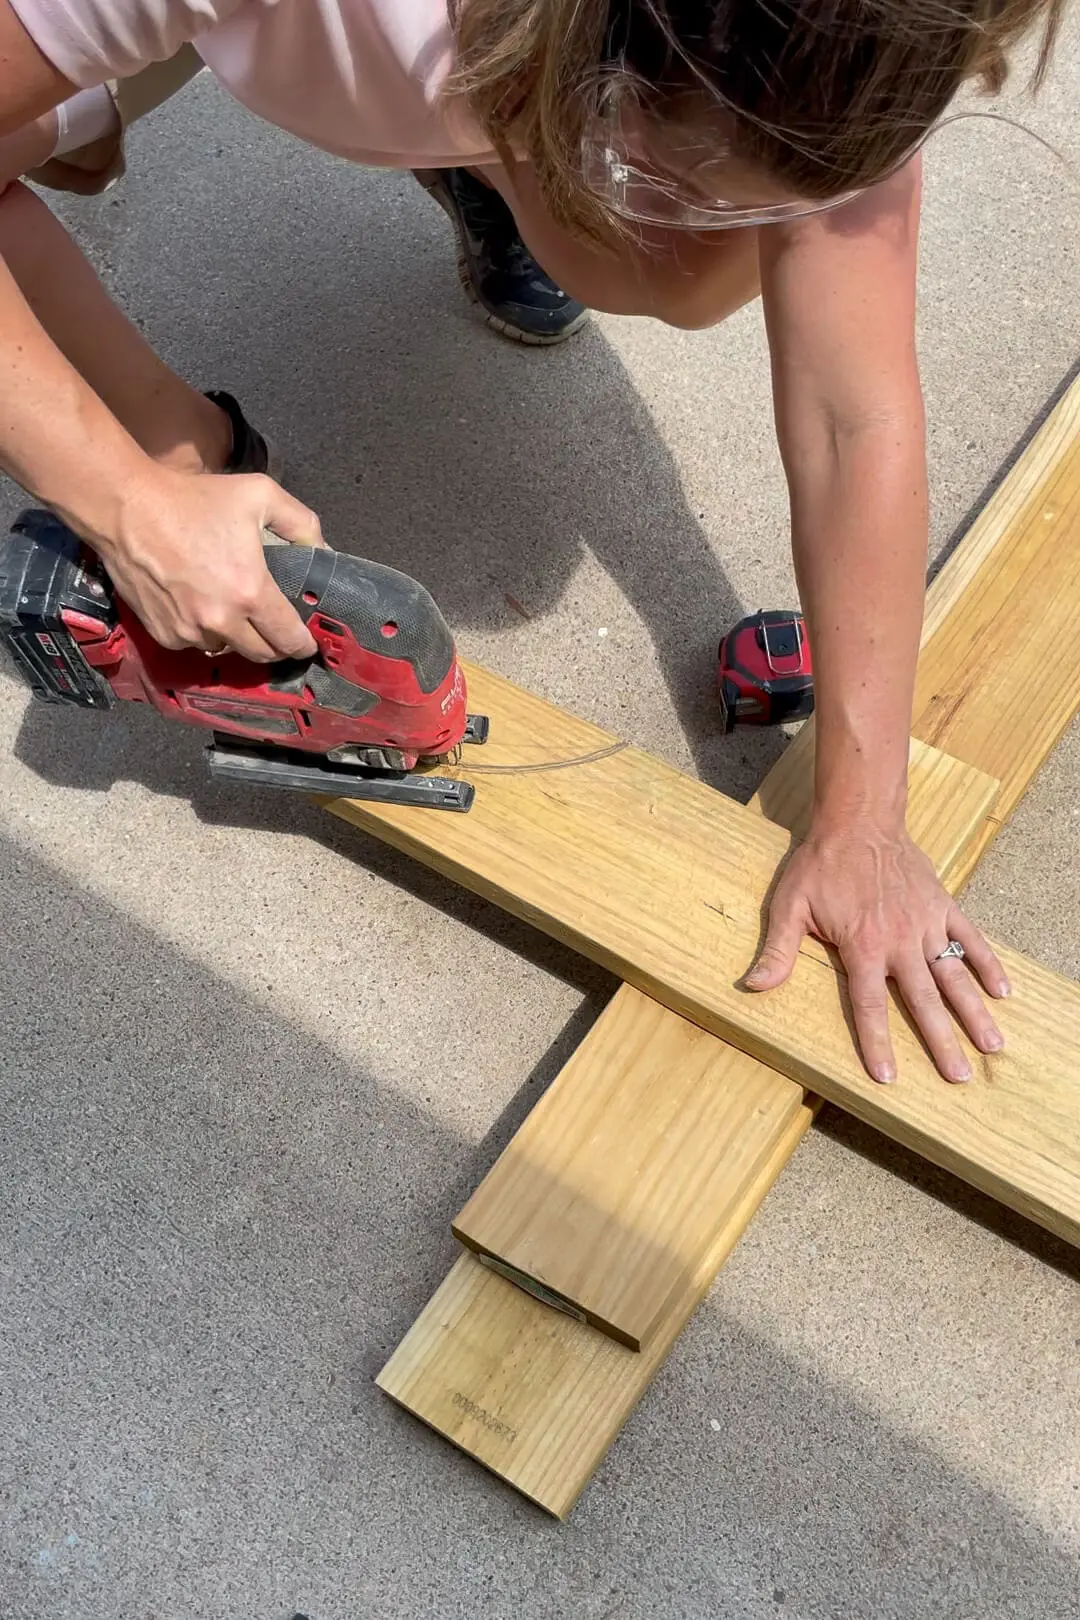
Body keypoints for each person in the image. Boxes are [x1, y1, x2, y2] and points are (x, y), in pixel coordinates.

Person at [0, 0, 1064, 1082]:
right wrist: (129, 502)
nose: (720, 228)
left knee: (690, 273)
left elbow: (856, 419)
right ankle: (173, 419)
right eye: (675, 180)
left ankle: (466, 164)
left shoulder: (849, 38)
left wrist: (865, 821)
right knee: (46, 145)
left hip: (496, 75)